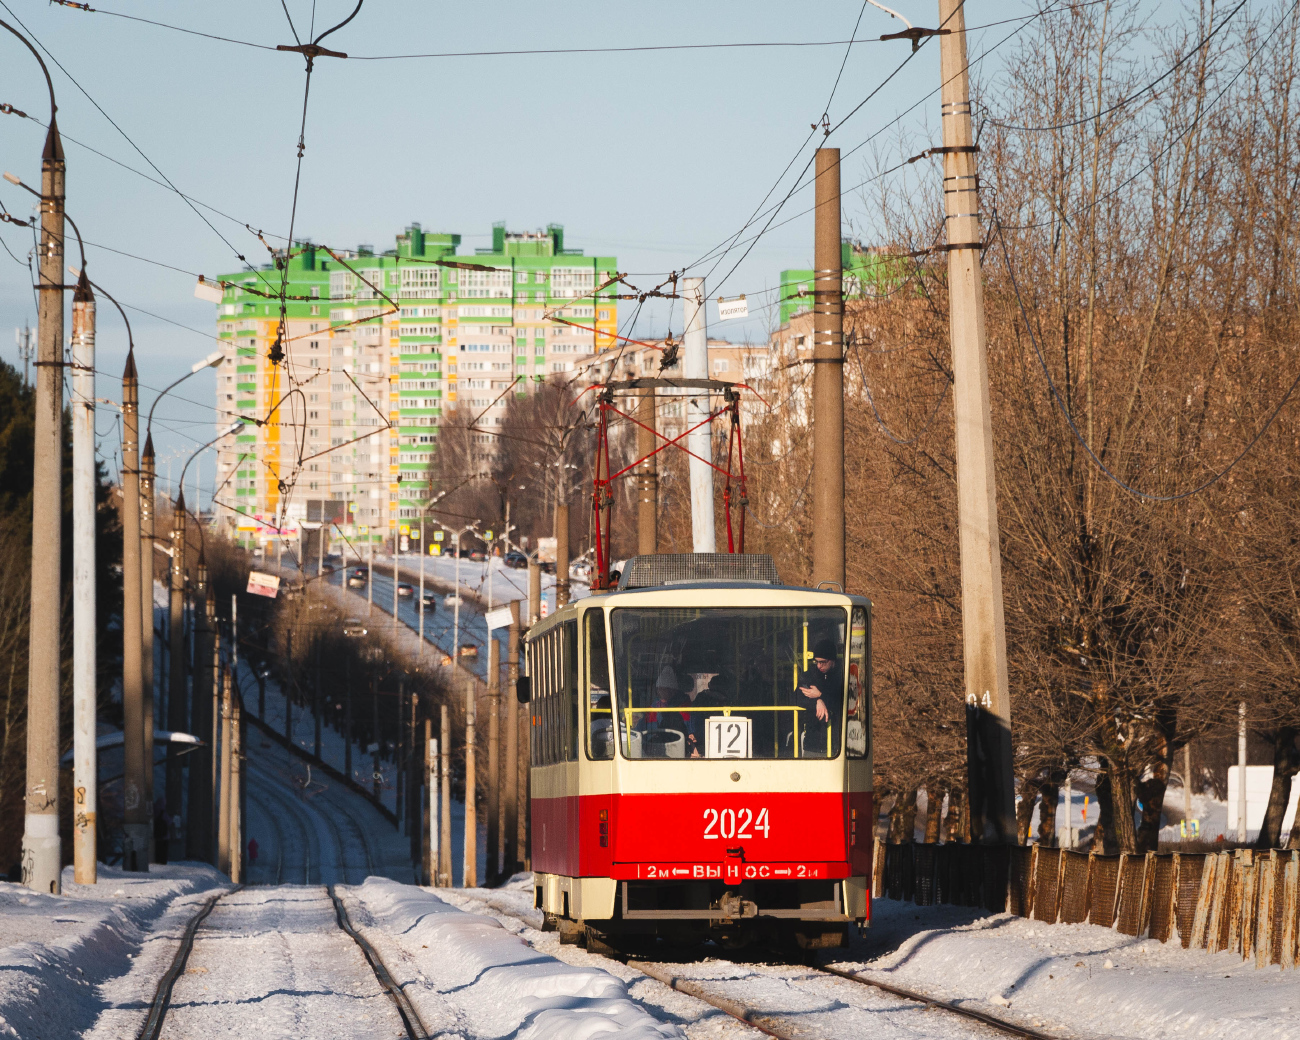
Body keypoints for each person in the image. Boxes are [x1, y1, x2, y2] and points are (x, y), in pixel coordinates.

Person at [795, 638, 843, 755]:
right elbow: (796, 697)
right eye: (816, 662)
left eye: (823, 662)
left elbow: (842, 702)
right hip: (813, 741)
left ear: (833, 661)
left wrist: (821, 695)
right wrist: (818, 700)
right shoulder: (810, 675)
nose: (819, 666)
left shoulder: (841, 676)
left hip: (837, 744)